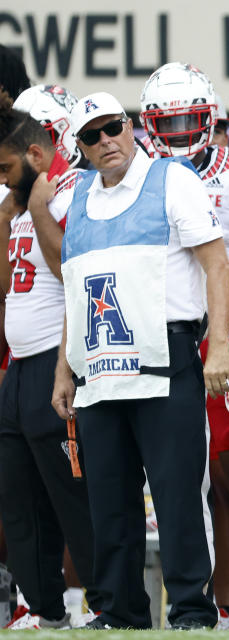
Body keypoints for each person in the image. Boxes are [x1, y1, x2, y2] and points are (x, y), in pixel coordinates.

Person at [49, 91, 229, 629]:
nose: (106, 141)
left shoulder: (172, 180)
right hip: (99, 367)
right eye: (92, 135)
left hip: (166, 356)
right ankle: (120, 611)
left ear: (131, 127)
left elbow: (217, 266)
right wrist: (64, 367)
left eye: (113, 128)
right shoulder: (78, 197)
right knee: (109, 499)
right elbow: (76, 292)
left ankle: (192, 611)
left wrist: (218, 344)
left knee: (179, 495)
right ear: (80, 147)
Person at [139, 62, 229, 629]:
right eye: (164, 121)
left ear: (211, 117)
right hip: (170, 331)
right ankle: (224, 600)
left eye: (186, 119)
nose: (174, 132)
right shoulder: (143, 174)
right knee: (193, 475)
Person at [0, 87, 103, 630]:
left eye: (5, 166)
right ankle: (43, 606)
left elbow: (72, 276)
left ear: (37, 153)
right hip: (17, 366)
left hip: (53, 362)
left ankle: (105, 601)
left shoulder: (62, 193)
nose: (0, 175)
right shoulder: (11, 203)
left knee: (72, 492)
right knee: (18, 497)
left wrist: (36, 206)